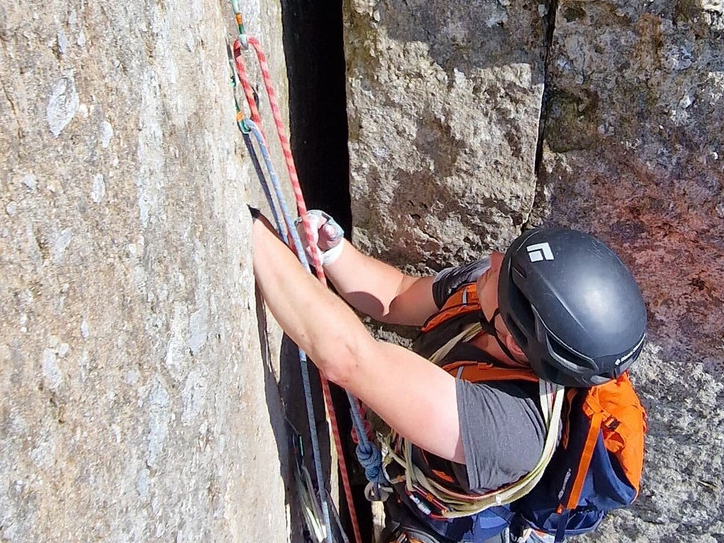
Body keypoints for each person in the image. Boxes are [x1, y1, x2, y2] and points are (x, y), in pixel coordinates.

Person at [251, 212, 648, 543]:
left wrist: (253, 233)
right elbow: (397, 296)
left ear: (513, 337)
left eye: (501, 273)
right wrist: (334, 251)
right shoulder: (490, 290)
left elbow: (351, 361)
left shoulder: (511, 431)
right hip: (406, 482)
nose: (491, 260)